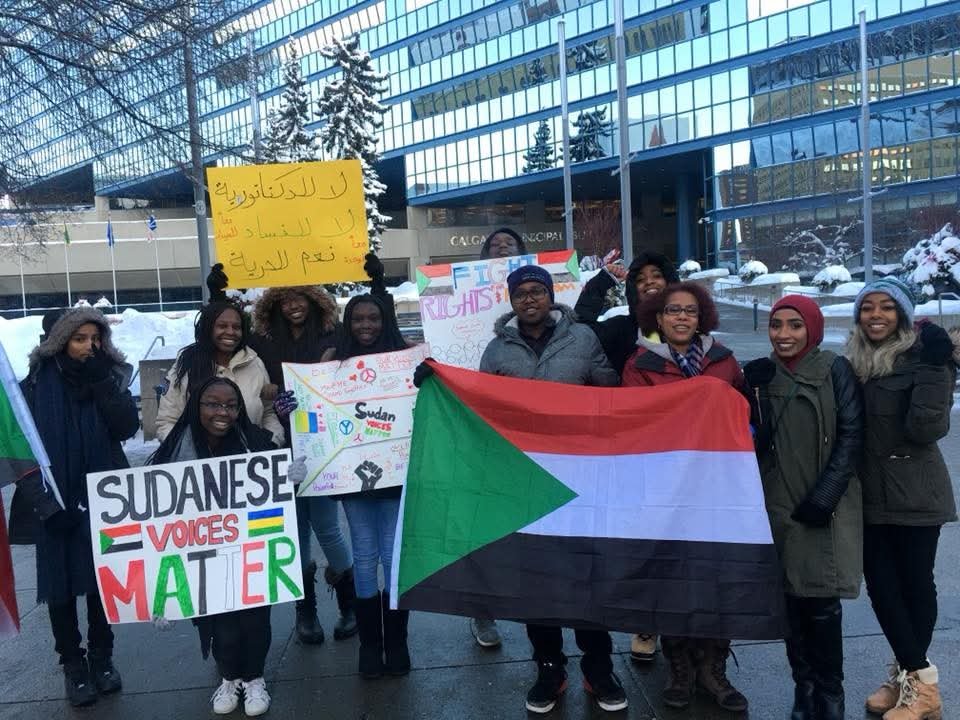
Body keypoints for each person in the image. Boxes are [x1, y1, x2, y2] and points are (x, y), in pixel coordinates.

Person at [478, 265, 624, 714]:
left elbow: (611, 393)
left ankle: (598, 667)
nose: (529, 299)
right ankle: (549, 669)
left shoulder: (582, 338)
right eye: (520, 293)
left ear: (550, 294)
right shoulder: (496, 350)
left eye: (537, 290)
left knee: (586, 571)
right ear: (511, 301)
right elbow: (481, 406)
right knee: (536, 578)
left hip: (580, 474)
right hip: (525, 479)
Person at [621, 281, 749, 713]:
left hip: (718, 488)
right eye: (673, 310)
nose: (681, 317)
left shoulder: (724, 361)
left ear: (702, 318)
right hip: (667, 489)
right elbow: (634, 424)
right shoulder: (639, 364)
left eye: (690, 311)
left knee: (717, 578)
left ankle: (713, 669)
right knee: (672, 579)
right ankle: (679, 667)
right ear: (658, 319)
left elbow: (742, 412)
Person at [10, 308, 139, 707]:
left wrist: (103, 383)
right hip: (56, 502)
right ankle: (73, 664)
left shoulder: (108, 376)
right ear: (60, 341)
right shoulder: (33, 387)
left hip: (105, 498)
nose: (89, 346)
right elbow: (21, 453)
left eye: (95, 339)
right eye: (80, 339)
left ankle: (102, 657)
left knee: (103, 581)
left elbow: (127, 427)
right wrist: (47, 507)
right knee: (61, 587)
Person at [744, 295, 863, 720]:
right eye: (776, 325)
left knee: (822, 604)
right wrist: (754, 394)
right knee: (791, 602)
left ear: (811, 328)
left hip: (824, 505)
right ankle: (804, 686)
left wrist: (826, 494)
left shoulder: (835, 369)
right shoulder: (762, 373)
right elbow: (754, 442)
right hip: (778, 504)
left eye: (795, 325)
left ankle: (831, 693)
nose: (784, 334)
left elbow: (852, 434)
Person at [845, 277, 956, 720]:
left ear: (903, 315)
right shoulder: (853, 362)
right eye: (867, 306)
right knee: (882, 587)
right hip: (869, 494)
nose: (876, 315)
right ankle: (913, 677)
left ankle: (917, 685)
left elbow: (927, 429)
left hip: (916, 493)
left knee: (914, 585)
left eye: (887, 307)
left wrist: (934, 366)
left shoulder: (925, 359)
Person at [150, 376, 293, 717]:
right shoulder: (175, 448)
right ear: (196, 406)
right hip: (204, 557)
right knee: (222, 627)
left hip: (250, 554)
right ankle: (229, 678)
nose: (223, 413)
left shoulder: (253, 440)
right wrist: (161, 593)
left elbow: (277, 480)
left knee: (255, 622)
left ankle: (255, 678)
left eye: (231, 405)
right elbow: (154, 516)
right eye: (212, 404)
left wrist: (289, 476)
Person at [243, 277, 357, 645]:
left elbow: (356, 368)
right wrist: (270, 395)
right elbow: (240, 362)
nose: (293, 306)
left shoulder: (333, 333)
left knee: (327, 526)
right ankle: (305, 611)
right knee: (294, 530)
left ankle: (350, 605)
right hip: (277, 442)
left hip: (322, 443)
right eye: (285, 300)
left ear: (313, 300)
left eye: (300, 298)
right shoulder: (262, 341)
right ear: (274, 305)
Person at [320, 280, 414, 680]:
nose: (366, 325)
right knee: (363, 555)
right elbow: (316, 406)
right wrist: (293, 404)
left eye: (373, 317)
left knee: (392, 557)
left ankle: (397, 641)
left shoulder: (406, 354)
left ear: (385, 320)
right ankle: (370, 645)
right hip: (352, 475)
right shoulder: (332, 359)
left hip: (396, 471)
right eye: (358, 318)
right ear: (348, 322)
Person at [468, 227, 528, 648]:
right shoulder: (463, 299)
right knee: (485, 526)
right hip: (482, 426)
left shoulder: (546, 299)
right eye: (494, 244)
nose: (501, 247)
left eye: (509, 244)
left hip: (541, 437)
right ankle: (482, 610)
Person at [156, 300, 283, 446]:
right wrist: (189, 452)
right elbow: (167, 422)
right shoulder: (187, 365)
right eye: (222, 326)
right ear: (208, 328)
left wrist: (273, 442)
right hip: (199, 456)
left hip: (251, 455)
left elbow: (268, 413)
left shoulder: (254, 363)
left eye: (236, 327)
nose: (230, 332)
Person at [574, 250, 680, 376]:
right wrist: (600, 284)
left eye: (657, 276)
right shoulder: (621, 329)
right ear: (633, 289)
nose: (649, 282)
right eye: (640, 279)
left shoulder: (689, 324)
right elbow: (579, 337)